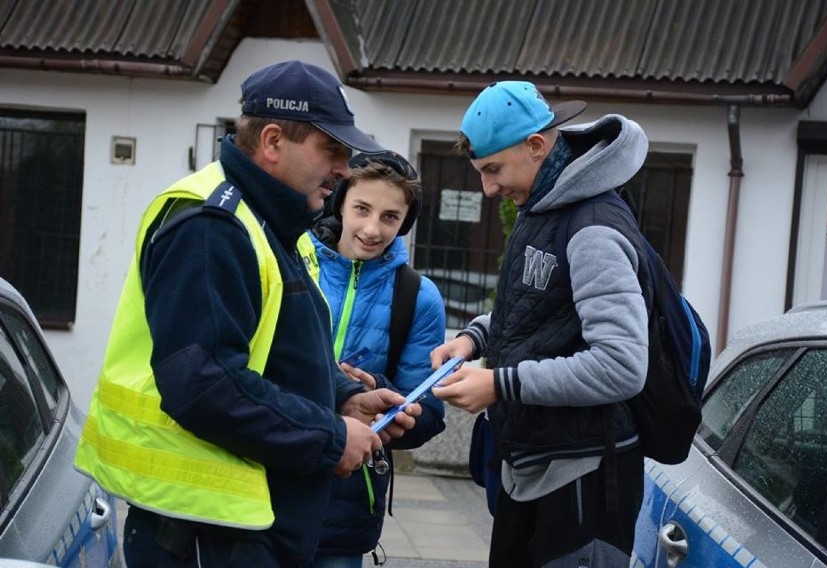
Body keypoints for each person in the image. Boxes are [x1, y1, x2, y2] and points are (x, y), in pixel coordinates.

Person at [74, 60, 422, 568]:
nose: (344, 168)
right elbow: (206, 385)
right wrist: (328, 436)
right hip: (202, 534)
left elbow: (277, 349)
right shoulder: (213, 225)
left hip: (242, 529)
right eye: (331, 149)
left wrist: (344, 398)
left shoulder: (271, 222)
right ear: (274, 142)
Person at [430, 81, 651, 567]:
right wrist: (475, 338)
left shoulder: (592, 227)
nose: (488, 189)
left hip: (583, 481)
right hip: (536, 467)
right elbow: (541, 310)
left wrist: (500, 384)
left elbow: (622, 365)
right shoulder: (542, 206)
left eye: (493, 169)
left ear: (536, 146)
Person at [298, 151, 447, 567]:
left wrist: (382, 398)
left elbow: (430, 416)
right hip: (264, 491)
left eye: (390, 217)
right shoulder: (290, 262)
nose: (371, 228)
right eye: (361, 208)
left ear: (405, 223)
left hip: (345, 511)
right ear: (339, 201)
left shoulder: (419, 297)